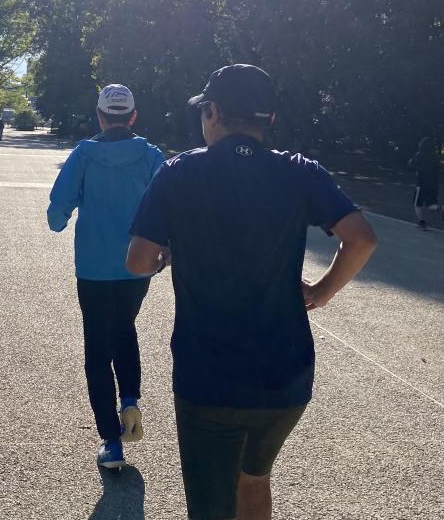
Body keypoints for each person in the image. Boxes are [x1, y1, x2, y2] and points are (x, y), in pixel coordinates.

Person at [127, 64, 377, 520]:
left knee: (210, 505)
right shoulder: (300, 172)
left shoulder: (179, 172)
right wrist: (321, 291)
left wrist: (168, 256)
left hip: (209, 376)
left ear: (213, 112)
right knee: (254, 478)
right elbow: (361, 238)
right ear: (270, 120)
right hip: (285, 377)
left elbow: (138, 261)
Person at [48, 84, 165, 469]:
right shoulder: (151, 156)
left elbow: (58, 207)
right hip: (138, 265)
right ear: (133, 117)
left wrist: (59, 219)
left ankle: (112, 441)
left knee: (97, 348)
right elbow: (170, 204)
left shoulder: (84, 154)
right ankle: (129, 398)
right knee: (125, 328)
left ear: (100, 116)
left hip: (94, 267)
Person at [409, 136, 442, 230]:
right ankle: (441, 208)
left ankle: (422, 222)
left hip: (422, 184)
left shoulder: (420, 155)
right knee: (431, 204)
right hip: (433, 184)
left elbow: (411, 164)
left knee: (417, 204)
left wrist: (412, 161)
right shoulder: (435, 157)